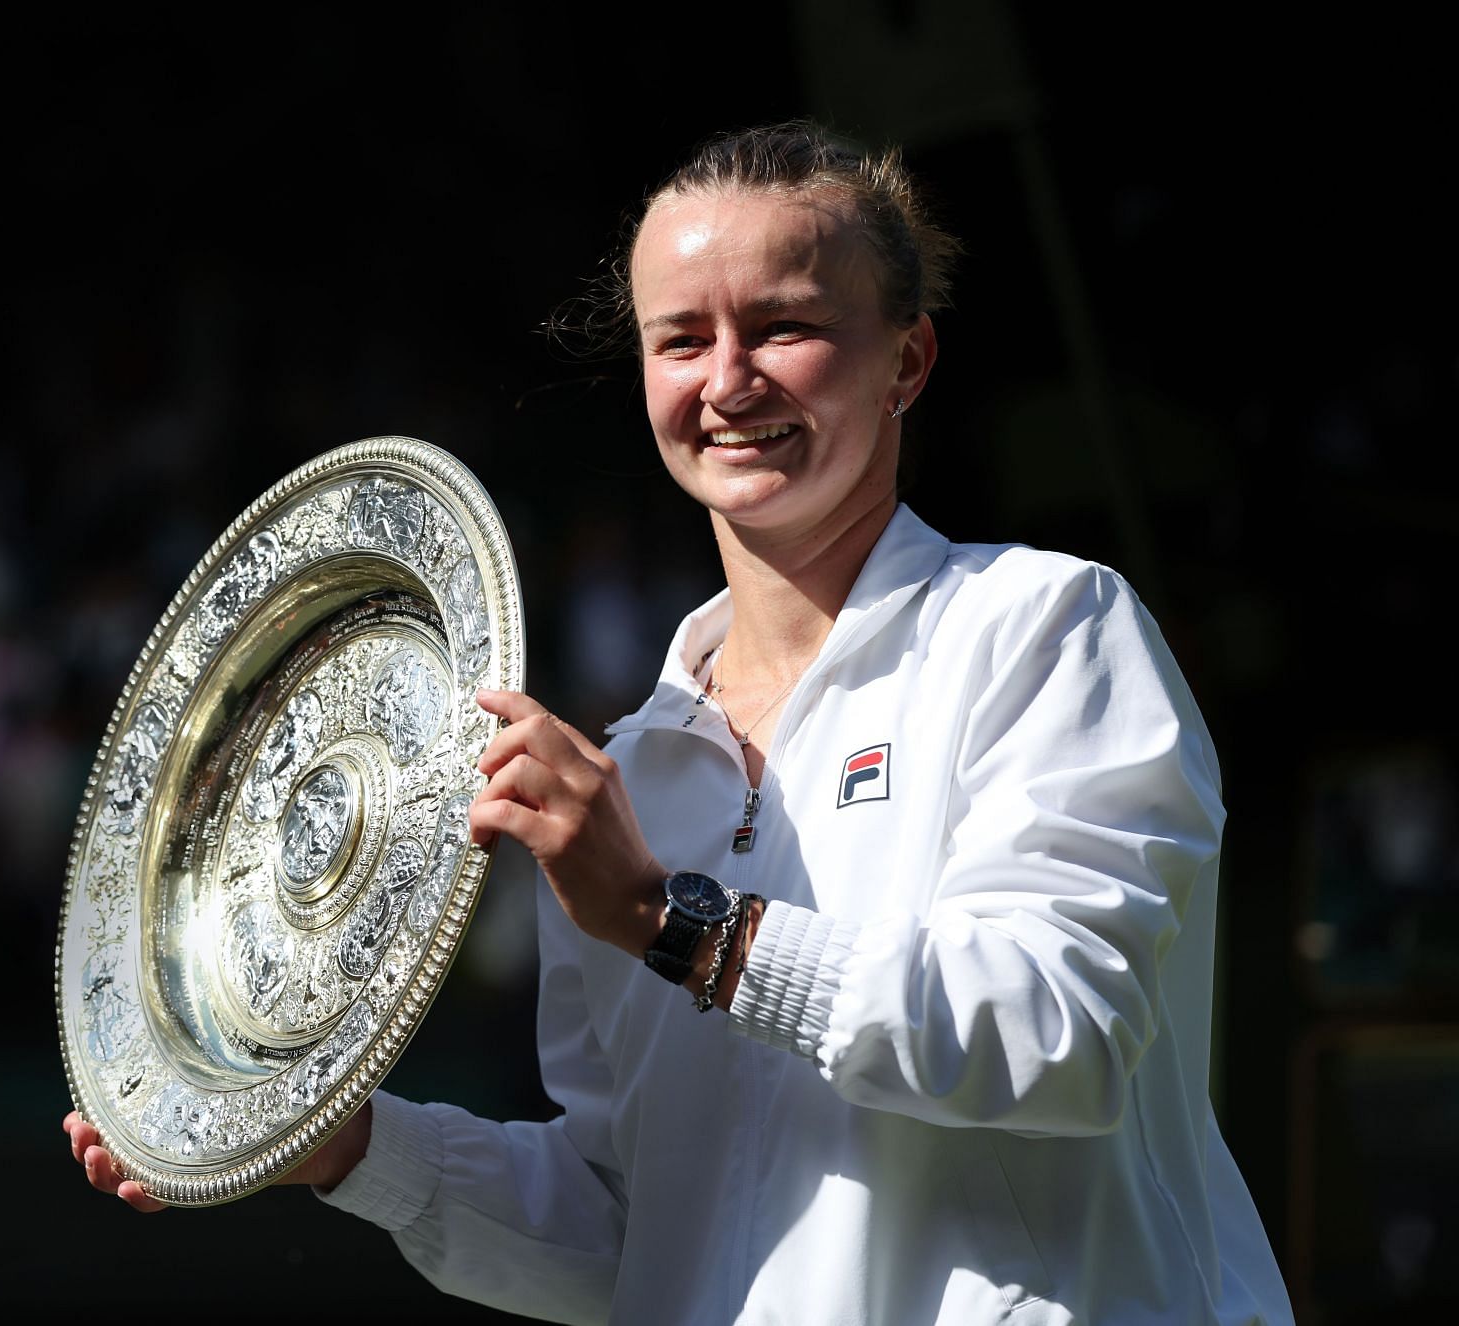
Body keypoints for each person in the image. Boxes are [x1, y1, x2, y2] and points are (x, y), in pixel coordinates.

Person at [65, 122, 1294, 1325]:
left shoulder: (1046, 627)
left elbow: (1061, 1030)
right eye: (681, 340)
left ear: (906, 363)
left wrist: (674, 923)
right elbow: (636, 1234)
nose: (728, 380)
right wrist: (351, 1149)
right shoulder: (630, 769)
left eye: (787, 327)